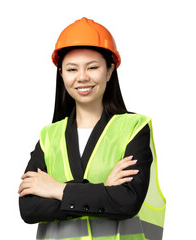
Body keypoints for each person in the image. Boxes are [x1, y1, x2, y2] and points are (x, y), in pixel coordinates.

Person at [18, 17, 166, 240]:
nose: (82, 77)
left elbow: (128, 201)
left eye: (93, 67)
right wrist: (103, 191)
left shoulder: (134, 128)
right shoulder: (49, 137)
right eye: (72, 69)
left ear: (109, 71)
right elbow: (29, 209)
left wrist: (57, 189)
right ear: (62, 75)